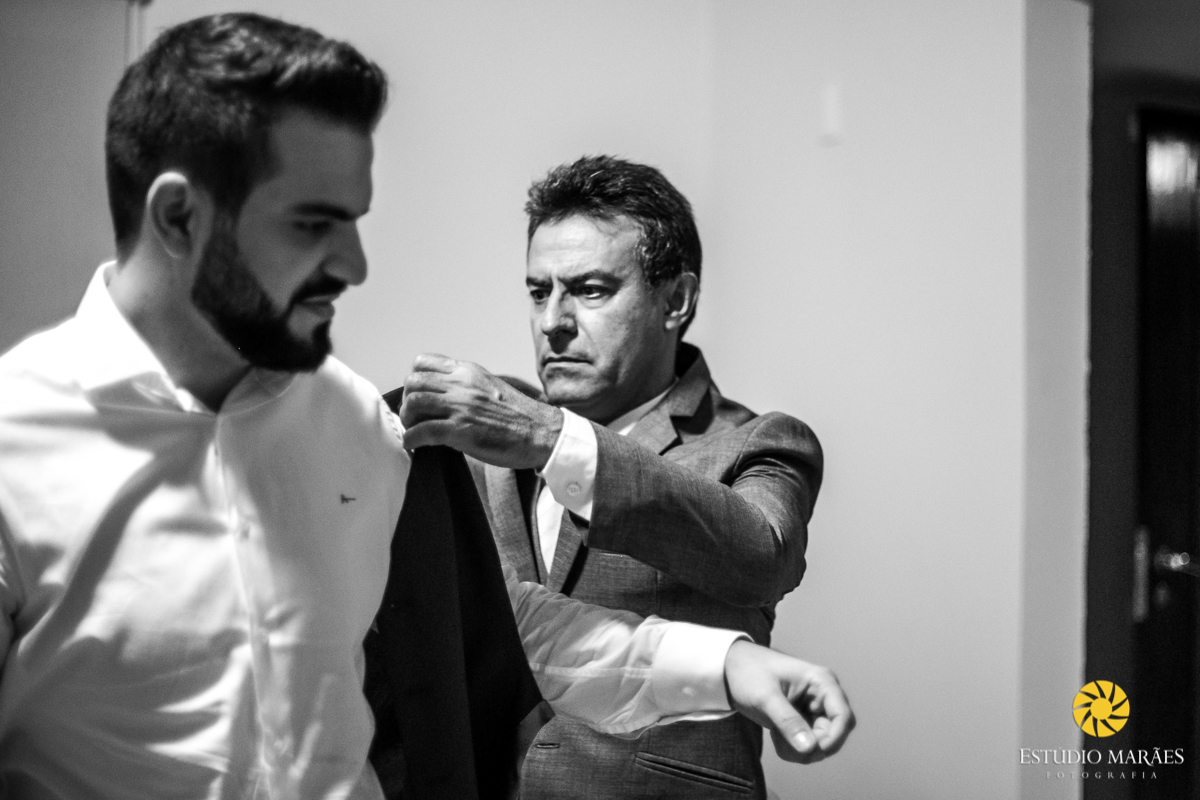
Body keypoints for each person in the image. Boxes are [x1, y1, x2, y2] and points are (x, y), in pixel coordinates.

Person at [0, 13, 852, 800]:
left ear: (678, 300)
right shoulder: (14, 444)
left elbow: (488, 623)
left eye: (590, 288)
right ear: (179, 217)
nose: (355, 265)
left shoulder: (355, 427)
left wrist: (729, 666)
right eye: (313, 223)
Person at [399, 155, 822, 798]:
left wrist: (552, 440)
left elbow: (761, 556)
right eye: (538, 292)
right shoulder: (479, 436)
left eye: (590, 290)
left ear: (676, 300)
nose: (553, 321)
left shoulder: (758, 442)